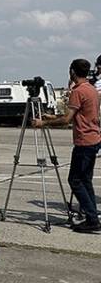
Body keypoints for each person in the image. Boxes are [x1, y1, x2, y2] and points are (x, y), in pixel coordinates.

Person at [34, 59, 101, 232]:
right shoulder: (92, 89)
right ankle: (92, 215)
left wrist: (43, 123)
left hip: (84, 141)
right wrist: (51, 117)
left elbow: (66, 120)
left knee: (75, 180)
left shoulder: (78, 91)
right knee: (85, 180)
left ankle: (92, 218)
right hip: (94, 139)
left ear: (72, 71)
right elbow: (77, 114)